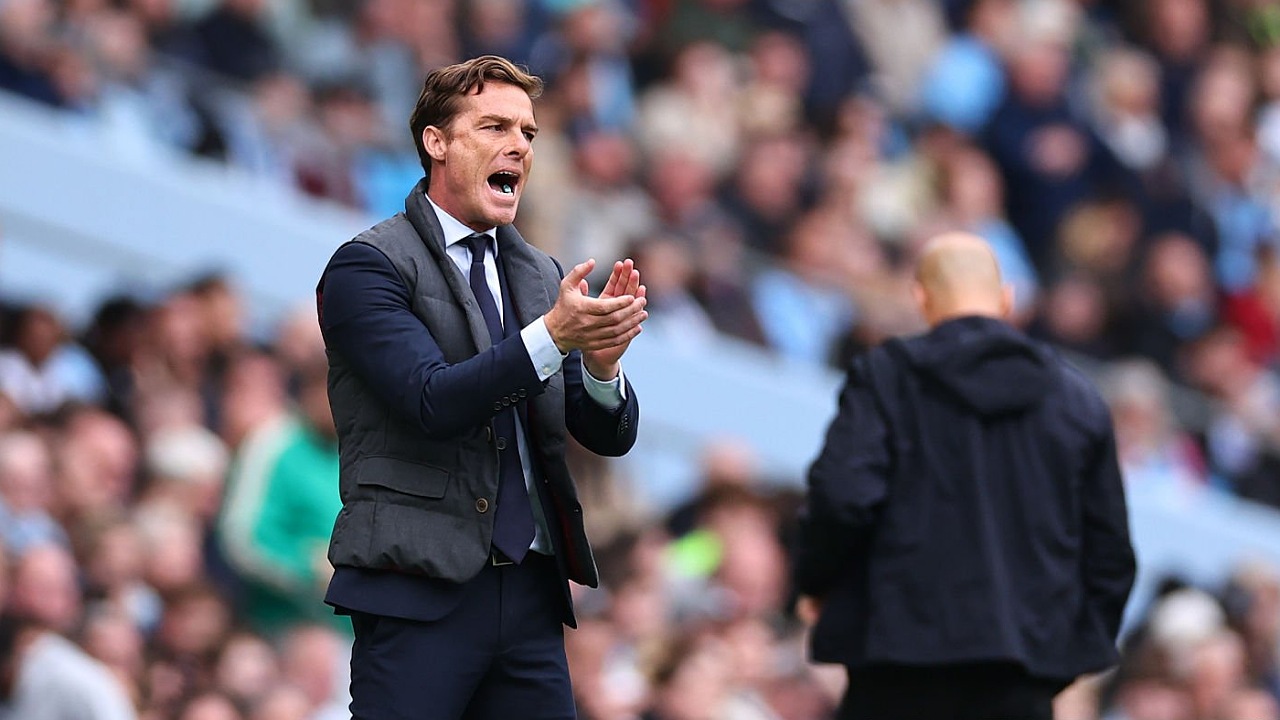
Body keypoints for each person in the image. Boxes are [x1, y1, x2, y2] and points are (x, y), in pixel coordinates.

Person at [315, 55, 646, 719]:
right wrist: (555, 337)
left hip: (530, 595)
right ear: (436, 142)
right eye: (494, 126)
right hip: (418, 587)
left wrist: (604, 368)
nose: (518, 146)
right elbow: (432, 401)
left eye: (527, 133)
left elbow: (603, 433)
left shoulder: (539, 274)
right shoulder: (368, 266)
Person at [793, 232, 1137, 720]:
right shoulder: (1078, 402)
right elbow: (1110, 556)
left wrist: (819, 584)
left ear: (921, 297)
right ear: (1007, 300)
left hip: (896, 664)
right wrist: (1058, 656)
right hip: (1020, 675)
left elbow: (843, 497)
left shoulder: (885, 377)